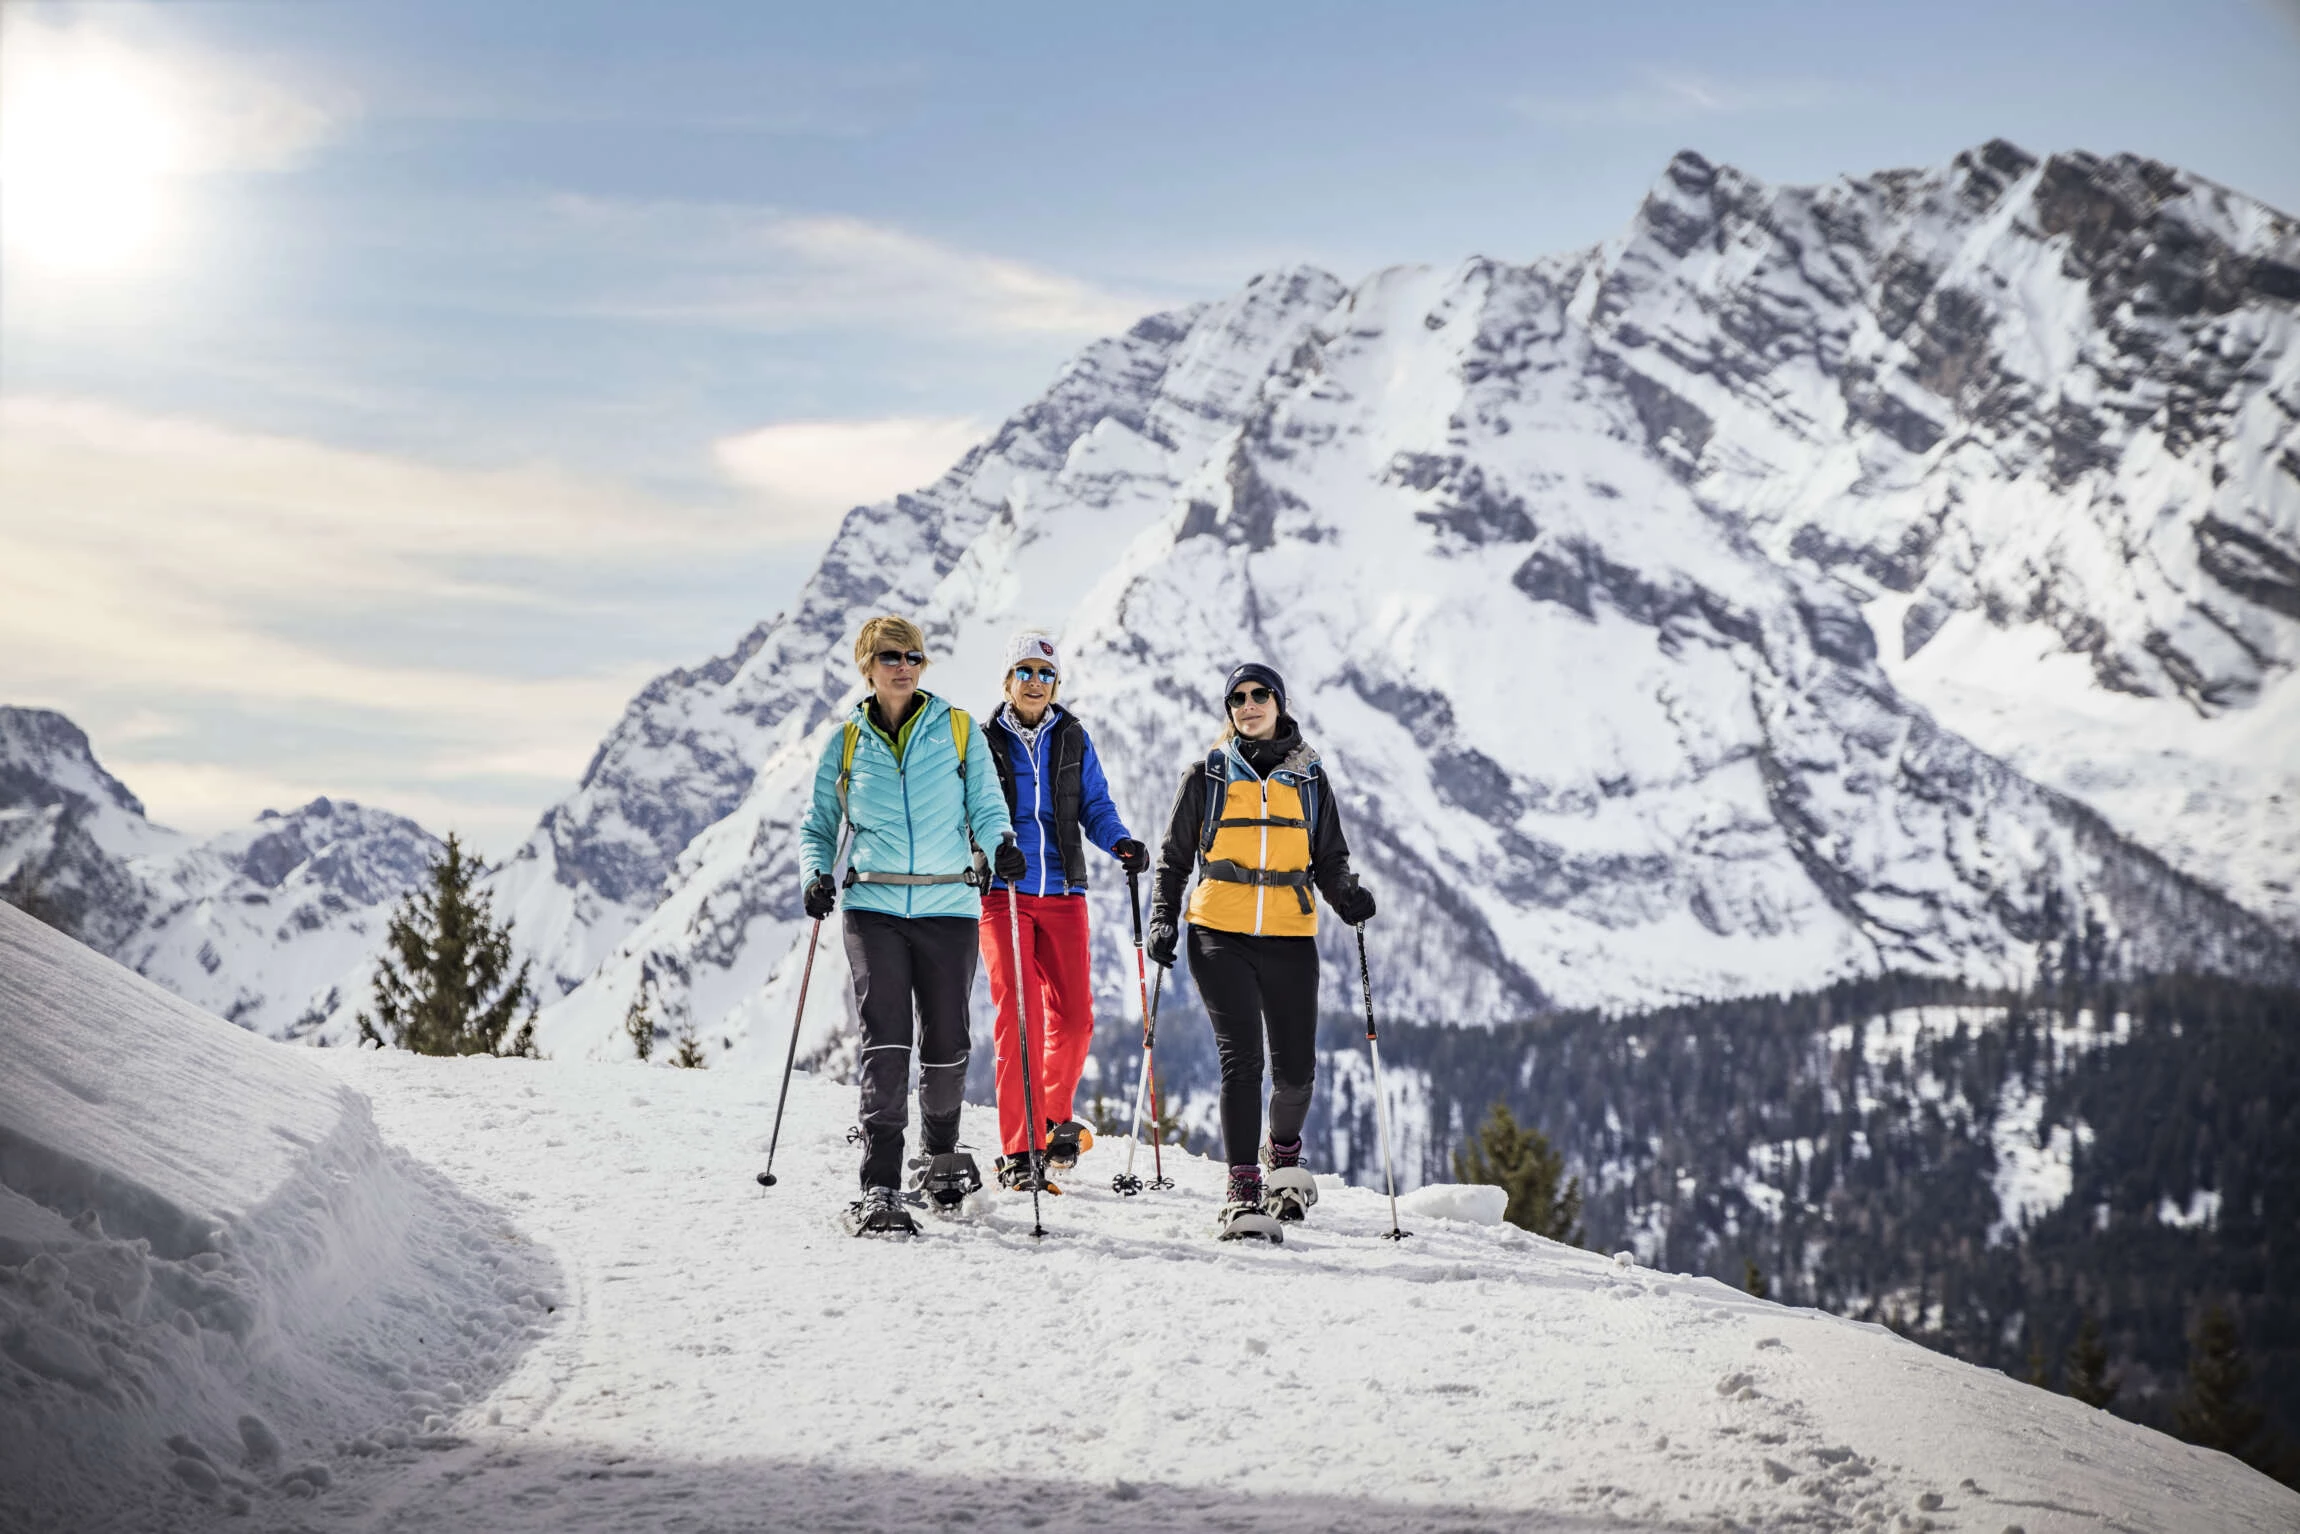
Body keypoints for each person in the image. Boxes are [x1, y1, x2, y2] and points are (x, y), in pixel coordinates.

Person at [800, 615, 1021, 1236]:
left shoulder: (955, 730)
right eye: (892, 657)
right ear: (867, 667)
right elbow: (819, 824)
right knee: (887, 1040)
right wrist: (817, 873)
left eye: (915, 657)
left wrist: (999, 843)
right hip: (873, 908)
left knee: (948, 1041)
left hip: (949, 904)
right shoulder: (846, 741)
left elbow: (985, 802)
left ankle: (940, 1156)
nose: (905, 666)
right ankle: (880, 1185)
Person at [1146, 662, 1376, 1241]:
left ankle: (1284, 1156)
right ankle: (1242, 1190)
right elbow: (1173, 859)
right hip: (1217, 934)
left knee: (1297, 1069)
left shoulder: (1311, 778)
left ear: (1278, 701)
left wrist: (1346, 896)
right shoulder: (1206, 775)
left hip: (1290, 936)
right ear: (1229, 712)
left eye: (1259, 695)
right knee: (1242, 1063)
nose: (1248, 705)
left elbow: (1329, 858)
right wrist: (1162, 919)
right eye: (1237, 699)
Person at [977, 630, 1148, 1192]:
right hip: (1004, 894)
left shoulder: (1072, 737)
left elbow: (1095, 805)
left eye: (1045, 674)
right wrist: (987, 848)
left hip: (1065, 894)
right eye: (1024, 672)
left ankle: (1050, 1117)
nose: (1035, 682)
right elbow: (968, 812)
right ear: (1007, 681)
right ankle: (1018, 1151)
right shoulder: (981, 742)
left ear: (1057, 685)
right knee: (1017, 1017)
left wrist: (1119, 841)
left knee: (1075, 1020)